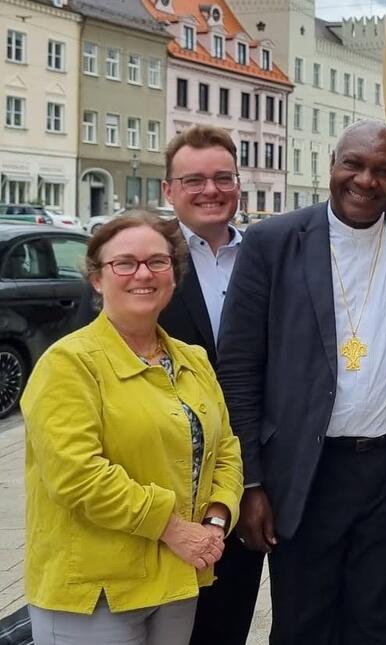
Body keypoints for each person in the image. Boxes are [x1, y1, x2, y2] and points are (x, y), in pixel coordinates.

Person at [218, 119, 386, 645]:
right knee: (305, 623)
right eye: (355, 165)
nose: (366, 181)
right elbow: (237, 369)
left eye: (384, 172)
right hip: (306, 472)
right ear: (332, 165)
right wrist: (250, 483)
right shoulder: (271, 244)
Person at [22, 211, 243, 644]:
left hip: (177, 576)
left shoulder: (192, 360)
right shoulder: (69, 364)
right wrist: (177, 530)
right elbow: (77, 476)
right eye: (124, 263)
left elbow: (227, 450)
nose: (143, 274)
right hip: (96, 589)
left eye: (157, 262)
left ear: (173, 277)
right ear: (97, 279)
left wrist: (215, 524)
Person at [124, 125, 261, 645]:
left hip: (240, 480)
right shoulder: (146, 261)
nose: (211, 190)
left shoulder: (264, 254)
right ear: (169, 190)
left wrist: (254, 483)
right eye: (194, 179)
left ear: (238, 184)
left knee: (227, 624)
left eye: (222, 177)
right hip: (162, 484)